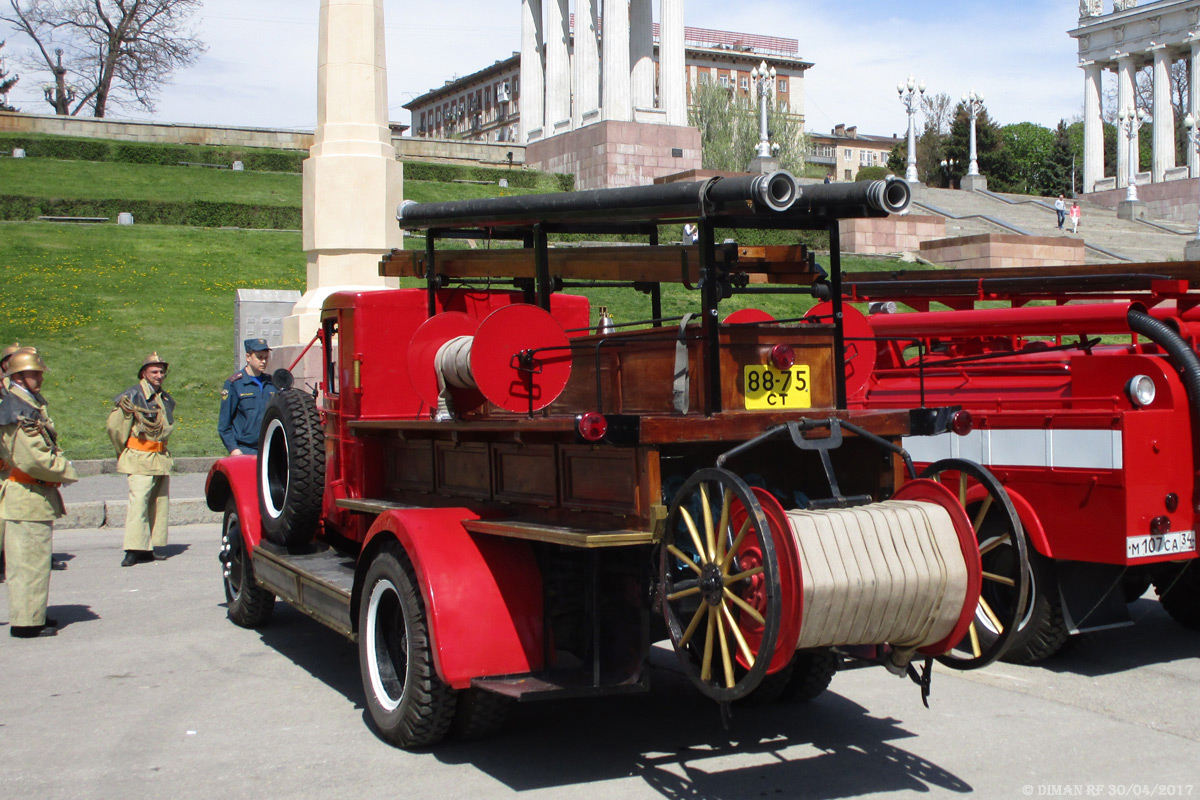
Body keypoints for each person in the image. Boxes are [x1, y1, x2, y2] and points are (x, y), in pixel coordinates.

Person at [0, 349, 78, 638]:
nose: (40, 377)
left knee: (34, 561)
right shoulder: (17, 407)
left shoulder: (25, 403)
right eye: (34, 373)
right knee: (28, 563)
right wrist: (65, 470)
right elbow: (32, 457)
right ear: (18, 376)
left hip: (33, 492)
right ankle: (26, 623)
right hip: (27, 491)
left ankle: (34, 615)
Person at [107, 352, 174, 567]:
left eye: (162, 371)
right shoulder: (131, 396)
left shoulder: (163, 398)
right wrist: (124, 452)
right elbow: (115, 428)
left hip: (159, 457)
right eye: (154, 371)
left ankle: (150, 546)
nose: (159, 375)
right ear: (143, 373)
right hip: (139, 457)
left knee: (157, 502)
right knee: (139, 503)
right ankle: (133, 549)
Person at [218, 338, 279, 456]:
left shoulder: (272, 383)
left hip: (270, 449)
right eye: (259, 357)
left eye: (266, 358)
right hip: (245, 450)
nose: (264, 362)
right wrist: (234, 450)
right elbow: (224, 425)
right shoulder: (235, 384)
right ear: (248, 357)